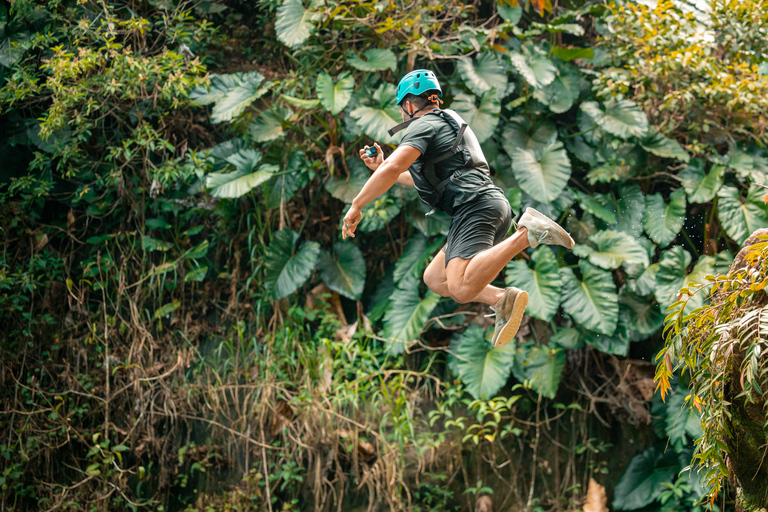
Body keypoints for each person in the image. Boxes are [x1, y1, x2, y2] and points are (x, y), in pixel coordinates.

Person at [342, 69, 575, 348]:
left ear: (408, 104)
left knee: (462, 288)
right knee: (435, 279)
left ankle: (527, 234)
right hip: (485, 206)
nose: (402, 116)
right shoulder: (445, 121)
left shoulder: (423, 124)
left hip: (475, 207)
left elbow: (394, 167)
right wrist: (381, 168)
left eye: (401, 109)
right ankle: (502, 299)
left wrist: (356, 205)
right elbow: (408, 175)